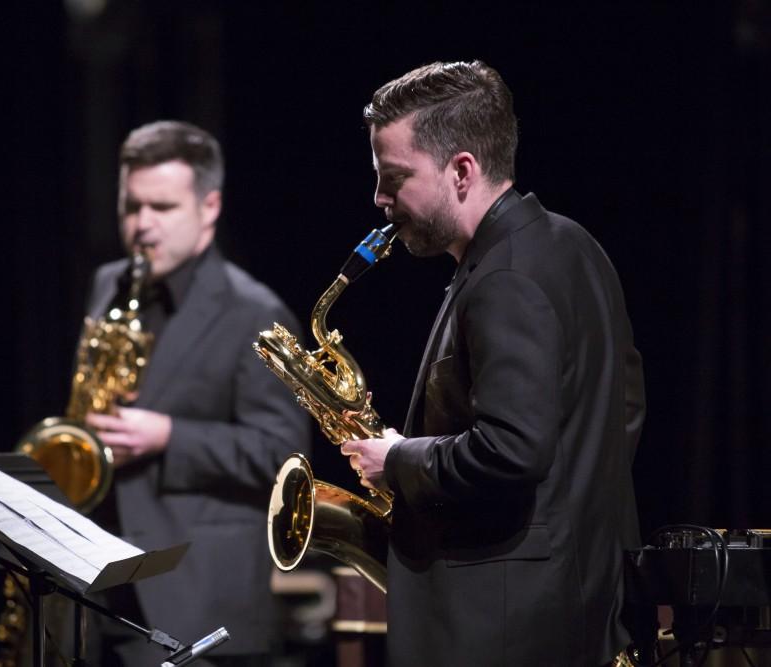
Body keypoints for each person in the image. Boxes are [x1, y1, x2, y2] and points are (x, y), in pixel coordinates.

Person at [339, 61, 646, 666]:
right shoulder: (571, 243)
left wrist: (398, 457)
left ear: (462, 170)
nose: (380, 200)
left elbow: (512, 450)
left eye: (395, 177)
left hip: (502, 623)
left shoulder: (504, 276)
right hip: (569, 604)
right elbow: (625, 407)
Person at [82, 120, 310, 666]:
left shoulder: (256, 311)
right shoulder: (108, 284)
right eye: (131, 207)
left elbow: (284, 454)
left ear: (210, 207)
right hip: (99, 590)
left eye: (162, 208)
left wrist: (168, 436)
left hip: (199, 602)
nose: (142, 226)